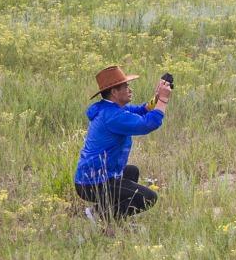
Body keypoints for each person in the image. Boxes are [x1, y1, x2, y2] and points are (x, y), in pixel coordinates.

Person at [74, 66, 172, 219]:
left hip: (91, 178)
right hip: (94, 183)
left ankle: (101, 212)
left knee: (131, 171)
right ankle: (100, 217)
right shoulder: (112, 116)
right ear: (114, 92)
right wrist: (164, 100)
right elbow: (149, 124)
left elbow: (142, 110)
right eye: (126, 86)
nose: (130, 89)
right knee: (148, 198)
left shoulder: (110, 108)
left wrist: (157, 97)